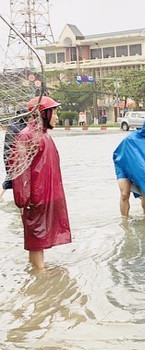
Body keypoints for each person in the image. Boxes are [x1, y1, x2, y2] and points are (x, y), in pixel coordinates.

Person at [12, 96, 71, 269]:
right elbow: (20, 171)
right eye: (54, 112)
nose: (56, 117)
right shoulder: (26, 136)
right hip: (35, 199)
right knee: (36, 240)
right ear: (43, 113)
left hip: (47, 196)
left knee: (40, 239)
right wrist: (23, 199)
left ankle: (38, 272)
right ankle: (39, 275)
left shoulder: (45, 136)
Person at [1, 108, 28, 200]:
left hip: (9, 159)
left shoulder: (13, 125)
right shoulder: (21, 127)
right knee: (10, 182)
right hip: (15, 161)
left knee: (8, 182)